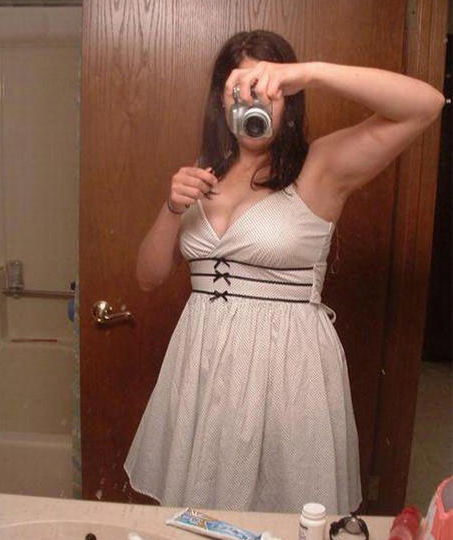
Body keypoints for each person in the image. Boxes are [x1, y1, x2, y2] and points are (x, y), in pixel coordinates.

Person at [123, 30, 445, 514]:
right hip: (202, 368)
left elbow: (426, 105)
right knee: (201, 522)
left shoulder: (320, 168)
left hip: (286, 370)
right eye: (240, 88)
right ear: (221, 101)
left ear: (288, 100)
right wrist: (171, 208)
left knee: (287, 523)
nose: (254, 100)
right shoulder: (204, 173)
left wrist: (308, 72)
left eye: (267, 89)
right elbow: (148, 277)